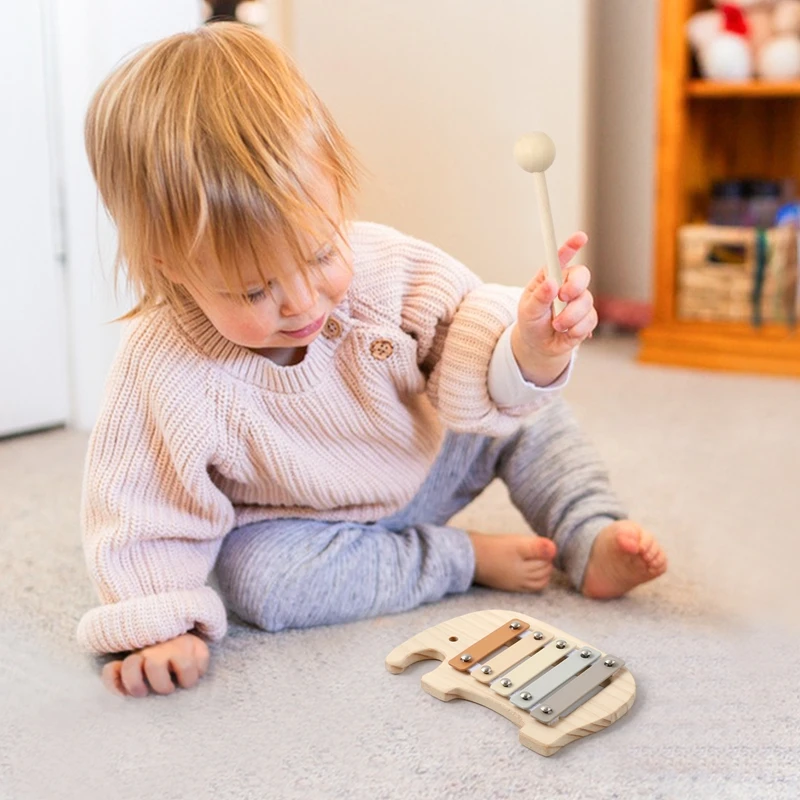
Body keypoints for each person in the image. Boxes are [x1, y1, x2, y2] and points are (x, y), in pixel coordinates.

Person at [78, 22, 667, 698]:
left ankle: (589, 534)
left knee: (532, 419)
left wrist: (527, 350)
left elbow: (468, 342)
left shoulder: (389, 271)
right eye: (253, 289)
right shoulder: (165, 365)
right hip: (304, 523)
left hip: (427, 456)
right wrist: (160, 623)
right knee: (259, 583)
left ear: (336, 190)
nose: (302, 301)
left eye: (321, 253)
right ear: (172, 266)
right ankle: (459, 558)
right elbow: (141, 504)